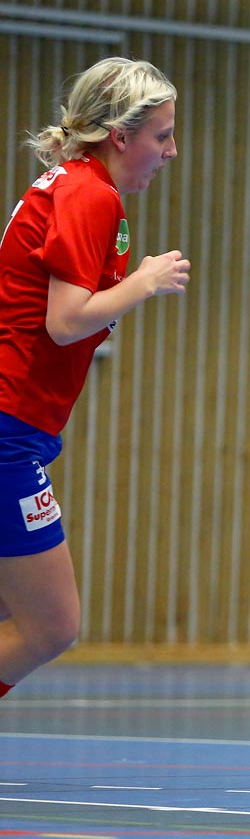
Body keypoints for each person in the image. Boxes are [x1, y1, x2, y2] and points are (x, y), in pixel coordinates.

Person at [0, 57, 190, 700]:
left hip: (16, 425)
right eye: (161, 135)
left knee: (13, 614)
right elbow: (66, 320)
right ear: (120, 135)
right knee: (51, 625)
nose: (170, 150)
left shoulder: (75, 186)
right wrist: (144, 283)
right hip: (8, 431)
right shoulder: (90, 194)